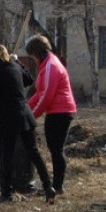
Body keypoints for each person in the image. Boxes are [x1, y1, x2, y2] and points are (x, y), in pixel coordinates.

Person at [0, 44, 56, 203]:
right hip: (25, 115)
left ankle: (6, 192)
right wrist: (19, 62)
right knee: (34, 152)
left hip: (9, 119)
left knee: (6, 156)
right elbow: (29, 80)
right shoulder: (14, 66)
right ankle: (48, 186)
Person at [25, 34, 77, 196]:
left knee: (56, 149)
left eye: (32, 56)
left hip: (61, 111)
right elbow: (39, 93)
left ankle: (57, 186)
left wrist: (32, 116)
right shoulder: (46, 65)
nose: (33, 59)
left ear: (37, 52)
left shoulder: (51, 66)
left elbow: (47, 96)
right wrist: (25, 109)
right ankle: (56, 185)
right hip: (55, 111)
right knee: (54, 148)